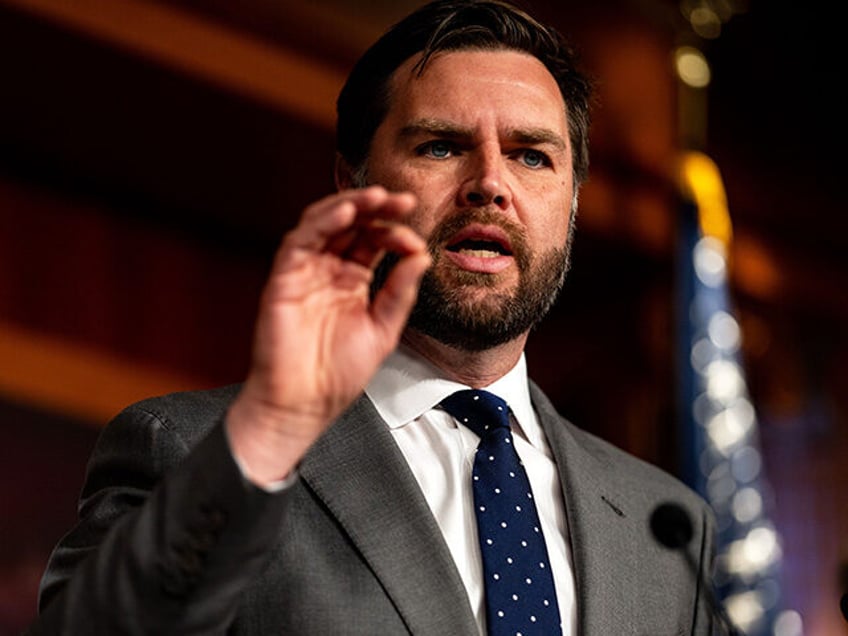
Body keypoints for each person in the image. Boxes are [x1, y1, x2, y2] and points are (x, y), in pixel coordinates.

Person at [28, 1, 717, 634]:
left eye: (531, 155)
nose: (490, 184)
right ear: (352, 183)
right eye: (441, 146)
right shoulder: (189, 451)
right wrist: (272, 432)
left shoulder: (667, 527)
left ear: (569, 205)